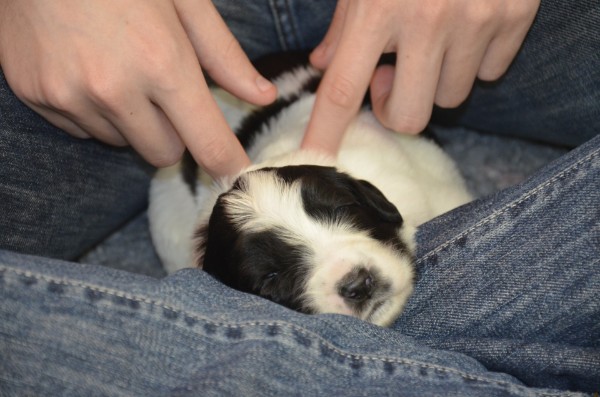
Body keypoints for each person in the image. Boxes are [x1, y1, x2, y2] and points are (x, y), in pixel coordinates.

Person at [0, 0, 598, 395]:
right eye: (269, 281)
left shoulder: (389, 168)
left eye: (341, 214)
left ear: (377, 203)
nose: (351, 274)